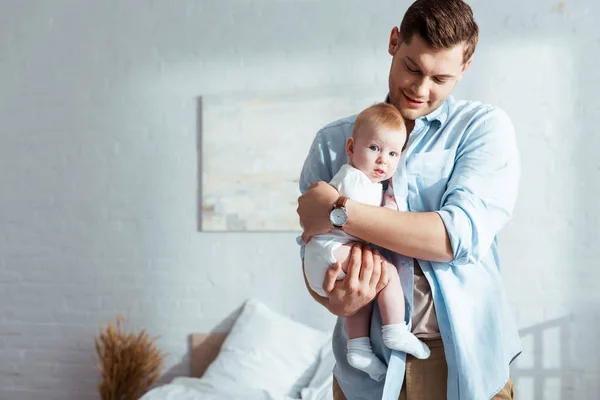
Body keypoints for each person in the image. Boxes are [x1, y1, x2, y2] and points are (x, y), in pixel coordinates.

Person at [296, 0, 521, 399]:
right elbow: (315, 258)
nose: (420, 89)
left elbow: (453, 239)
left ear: (464, 70)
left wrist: (337, 211)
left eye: (441, 78)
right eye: (412, 67)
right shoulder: (334, 142)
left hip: (462, 362)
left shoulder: (482, 130)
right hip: (367, 371)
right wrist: (336, 301)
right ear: (394, 42)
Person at [303, 102, 431, 383]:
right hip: (328, 252)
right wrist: (390, 215)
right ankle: (396, 329)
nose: (383, 160)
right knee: (385, 273)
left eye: (393, 153)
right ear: (350, 148)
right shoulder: (354, 180)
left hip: (323, 258)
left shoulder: (366, 183)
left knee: (363, 287)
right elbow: (368, 225)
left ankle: (358, 347)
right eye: (374, 148)